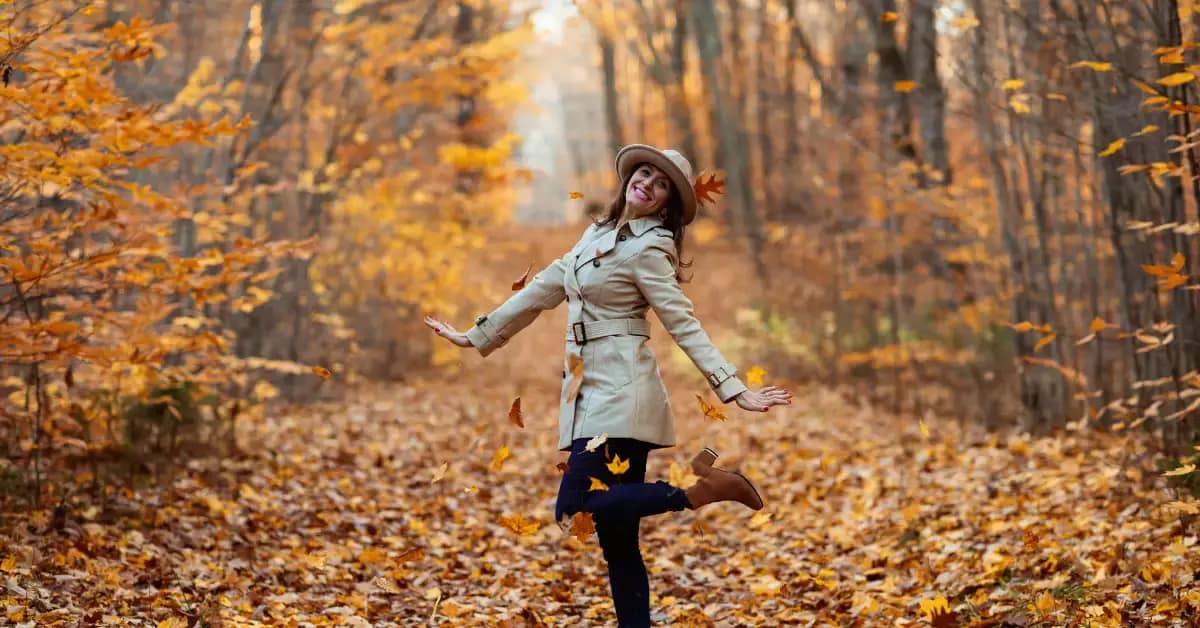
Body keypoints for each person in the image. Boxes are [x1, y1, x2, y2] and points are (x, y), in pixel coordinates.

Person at [424, 144, 793, 627]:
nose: (648, 185)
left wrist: (733, 387)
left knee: (572, 507)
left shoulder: (651, 249)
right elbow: (542, 290)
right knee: (619, 543)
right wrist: (475, 336)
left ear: (667, 203)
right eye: (645, 173)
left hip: (622, 391)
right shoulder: (596, 235)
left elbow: (682, 322)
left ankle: (698, 491)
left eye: (662, 185)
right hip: (590, 390)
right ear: (630, 177)